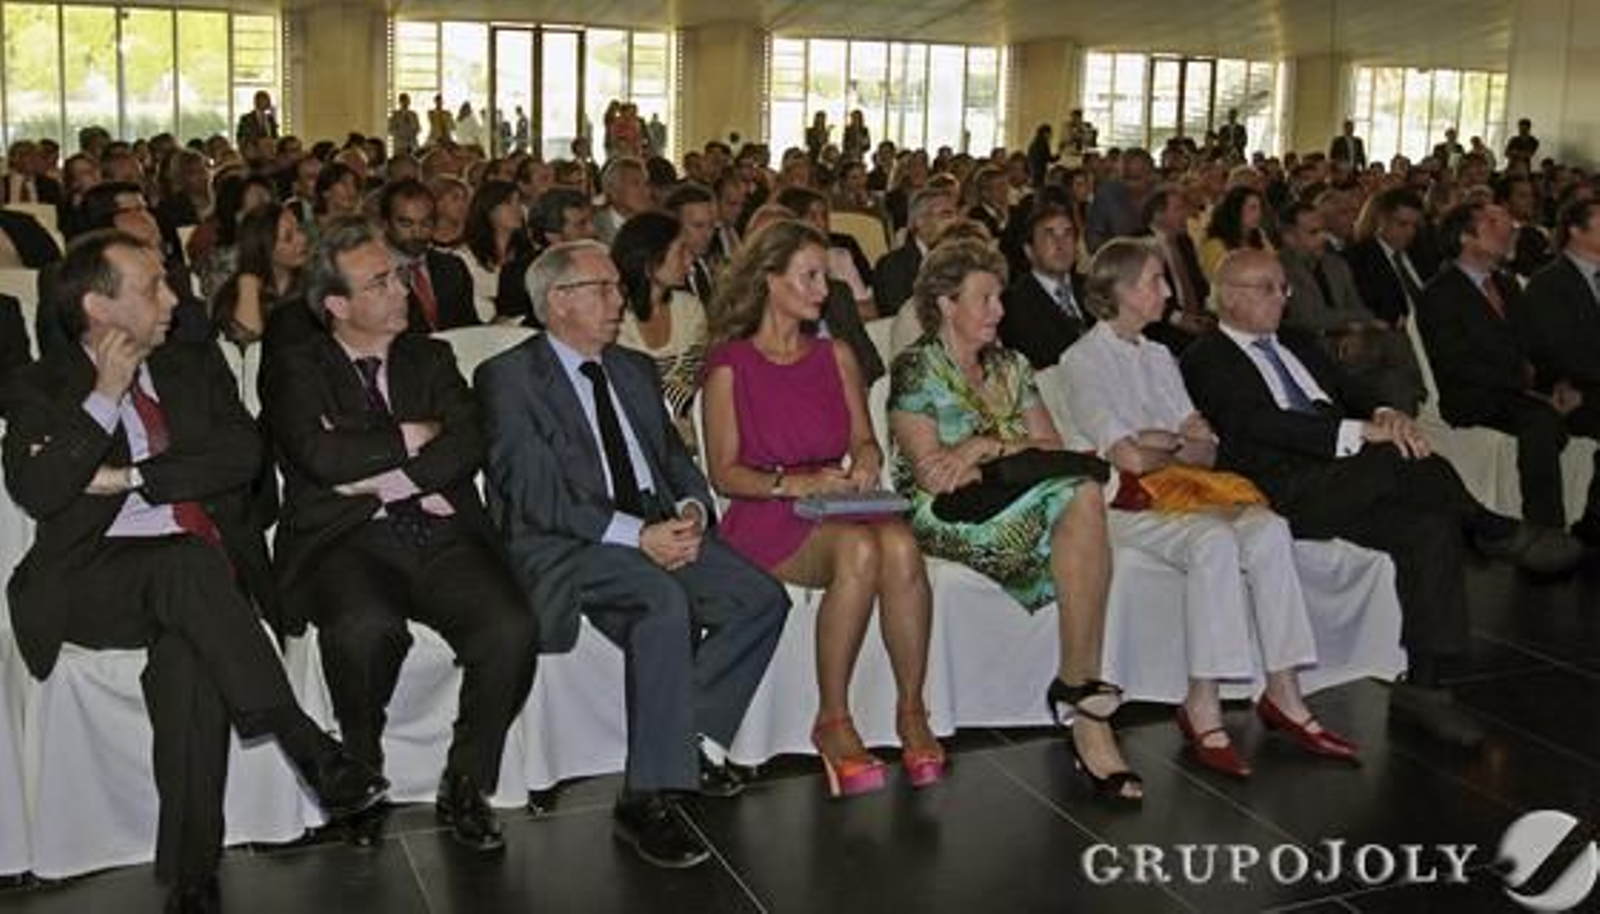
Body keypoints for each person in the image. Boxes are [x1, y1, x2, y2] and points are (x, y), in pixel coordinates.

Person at [2, 229, 387, 912]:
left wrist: (130, 476)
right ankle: (307, 745)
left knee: (189, 654)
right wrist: (106, 396)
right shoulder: (41, 385)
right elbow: (39, 487)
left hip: (196, 579)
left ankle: (192, 877)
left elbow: (241, 456)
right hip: (90, 582)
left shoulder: (191, 363)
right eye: (153, 286)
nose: (174, 298)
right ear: (98, 306)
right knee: (186, 569)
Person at [1180, 249, 1585, 751]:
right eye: (1270, 288)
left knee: (1429, 526)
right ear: (1232, 298)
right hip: (1283, 490)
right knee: (1393, 458)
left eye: (1285, 286)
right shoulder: (1206, 357)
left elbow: (1352, 389)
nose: (1284, 298)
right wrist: (1359, 434)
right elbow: (1255, 424)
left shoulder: (1296, 343)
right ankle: (1491, 529)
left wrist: (1387, 412)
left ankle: (1427, 686)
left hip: (1348, 478)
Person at [477, 240, 787, 869]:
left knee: (761, 599)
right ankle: (649, 794)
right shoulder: (508, 379)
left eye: (617, 286)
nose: (621, 300)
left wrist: (693, 510)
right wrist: (635, 535)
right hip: (572, 542)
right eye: (603, 288)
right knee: (661, 601)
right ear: (558, 303)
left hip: (657, 523)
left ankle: (681, 742)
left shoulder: (632, 368)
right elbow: (537, 497)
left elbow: (675, 460)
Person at [263, 218, 538, 853]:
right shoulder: (295, 367)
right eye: (381, 282)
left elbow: (468, 443)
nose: (401, 290)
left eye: (398, 276)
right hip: (344, 541)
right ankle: (359, 770)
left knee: (511, 628)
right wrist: (412, 435)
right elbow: (318, 455)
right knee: (363, 628)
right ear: (337, 304)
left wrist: (380, 478)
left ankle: (467, 781)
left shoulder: (431, 354)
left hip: (441, 532)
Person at [1063, 239, 1357, 777]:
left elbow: (1207, 447)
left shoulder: (1159, 355)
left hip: (1187, 490)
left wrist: (1165, 440)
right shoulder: (1082, 359)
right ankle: (1203, 702)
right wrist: (1169, 440)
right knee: (1215, 541)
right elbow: (1125, 457)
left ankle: (1285, 690)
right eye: (1156, 281)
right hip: (1123, 505)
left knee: (1268, 528)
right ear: (1124, 291)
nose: (1169, 291)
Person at [888, 239, 1143, 804]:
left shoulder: (1012, 365)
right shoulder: (915, 369)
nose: (999, 310)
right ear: (946, 303)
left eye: (999, 297)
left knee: (1079, 492)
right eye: (984, 298)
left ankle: (1080, 689)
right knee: (1079, 497)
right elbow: (935, 477)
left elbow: (1048, 446)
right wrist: (1005, 449)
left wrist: (982, 446)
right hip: (946, 516)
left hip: (1017, 496)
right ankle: (1082, 698)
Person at [702, 218, 943, 797]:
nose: (821, 290)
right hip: (769, 508)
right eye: (809, 277)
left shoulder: (835, 355)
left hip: (834, 499)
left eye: (823, 277)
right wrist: (795, 483)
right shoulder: (729, 365)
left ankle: (912, 710)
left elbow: (865, 439)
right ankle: (833, 720)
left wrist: (862, 463)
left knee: (902, 543)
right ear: (769, 281)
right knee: (862, 549)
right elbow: (725, 472)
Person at [1416, 200, 1600, 538]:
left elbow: (1533, 346)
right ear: (1466, 238)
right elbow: (1456, 362)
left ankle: (1592, 520)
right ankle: (1545, 531)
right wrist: (1529, 386)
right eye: (1493, 223)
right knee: (1540, 422)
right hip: (1476, 396)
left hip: (1519, 390)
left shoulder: (1506, 284)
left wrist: (1557, 385)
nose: (1510, 229)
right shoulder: (1439, 294)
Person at [1276, 200, 1425, 415]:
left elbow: (1360, 307)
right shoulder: (1281, 269)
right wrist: (1355, 322)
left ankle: (1410, 417)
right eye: (1313, 232)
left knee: (1394, 367)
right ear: (1289, 237)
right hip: (1316, 346)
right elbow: (1311, 317)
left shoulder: (1335, 264)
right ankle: (1419, 396)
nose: (1322, 238)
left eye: (1323, 231)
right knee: (1391, 356)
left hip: (1354, 340)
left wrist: (1357, 327)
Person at [1519, 198, 1600, 543]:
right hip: (1569, 389)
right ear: (1576, 231)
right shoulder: (1549, 283)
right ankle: (1591, 526)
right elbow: (1557, 352)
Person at [611, 211, 708, 450]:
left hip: (693, 428)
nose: (690, 260)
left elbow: (701, 373)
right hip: (640, 435)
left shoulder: (689, 308)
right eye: (680, 251)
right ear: (650, 259)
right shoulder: (614, 318)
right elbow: (633, 391)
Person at [998, 204, 1091, 369]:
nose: (1060, 244)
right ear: (1029, 251)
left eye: (1068, 234)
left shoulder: (1094, 288)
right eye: (1050, 235)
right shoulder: (1012, 304)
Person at [380, 178, 480, 331]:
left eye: (425, 223)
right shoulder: (373, 273)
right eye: (406, 224)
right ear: (386, 224)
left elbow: (470, 326)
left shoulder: (453, 267)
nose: (417, 232)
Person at [457, 179, 535, 323]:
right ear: (488, 209)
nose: (517, 209)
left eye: (519, 202)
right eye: (508, 203)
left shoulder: (529, 253)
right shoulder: (464, 257)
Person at [872, 187, 957, 317]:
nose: (955, 222)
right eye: (946, 215)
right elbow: (899, 318)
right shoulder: (893, 266)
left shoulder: (964, 259)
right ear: (920, 221)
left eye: (955, 215)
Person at [1199, 185, 1273, 281]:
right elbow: (1220, 281)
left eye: (1259, 208)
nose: (1259, 213)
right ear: (1236, 210)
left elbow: (1272, 263)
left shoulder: (1259, 234)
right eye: (1252, 208)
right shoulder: (1215, 244)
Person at [389, 93, 422, 157]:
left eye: (407, 101)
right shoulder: (396, 115)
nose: (406, 103)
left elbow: (418, 128)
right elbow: (391, 129)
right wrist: (400, 134)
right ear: (400, 102)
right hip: (400, 145)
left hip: (412, 144)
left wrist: (413, 131)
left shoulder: (413, 115)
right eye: (404, 101)